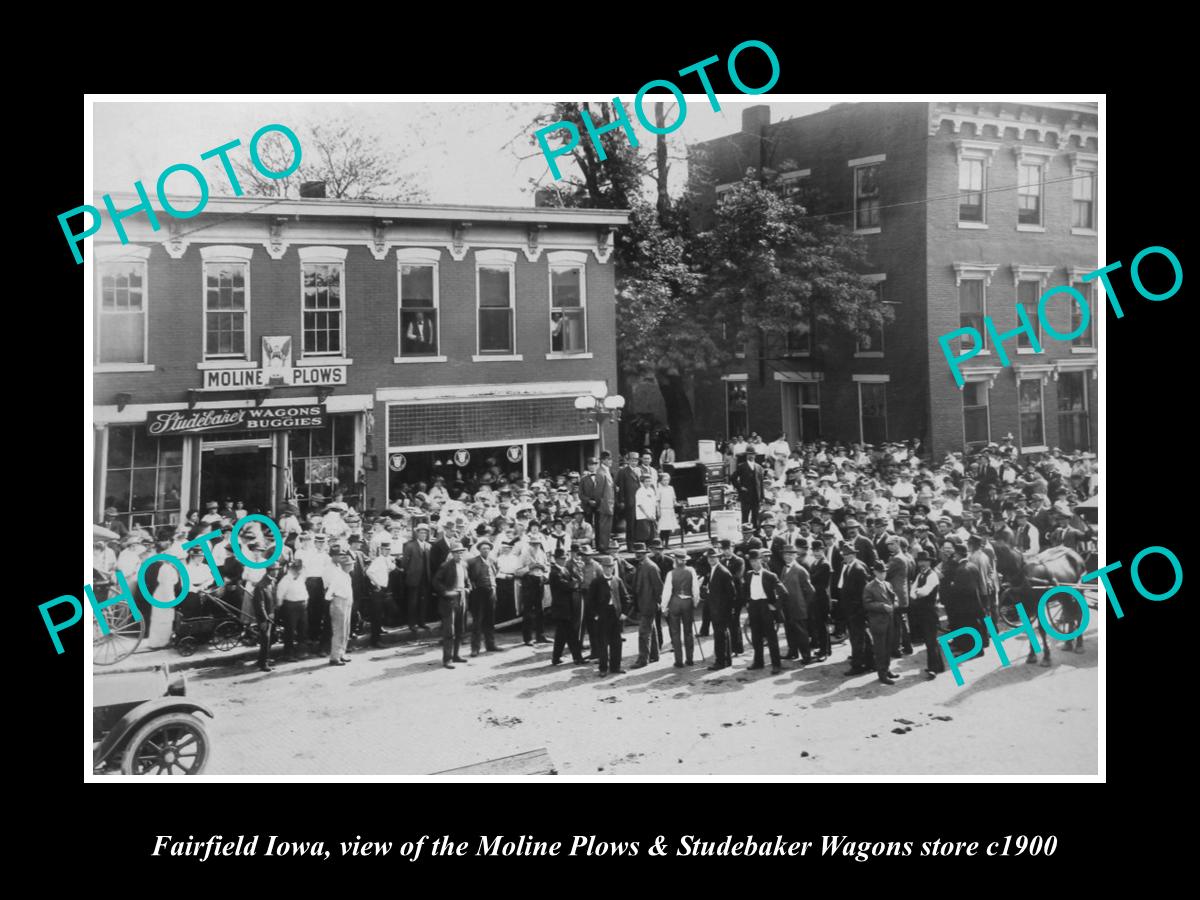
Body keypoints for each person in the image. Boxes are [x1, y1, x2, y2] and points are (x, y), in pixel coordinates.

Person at [940, 539, 986, 658]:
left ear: (958, 554)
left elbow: (962, 589)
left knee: (968, 627)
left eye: (955, 554)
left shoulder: (962, 569)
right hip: (974, 603)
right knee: (974, 626)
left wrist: (952, 586)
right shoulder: (971, 566)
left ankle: (972, 650)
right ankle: (977, 648)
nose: (953, 556)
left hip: (965, 605)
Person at [587, 555, 630, 675]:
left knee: (616, 642)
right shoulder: (596, 582)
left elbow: (626, 598)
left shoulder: (618, 581)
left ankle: (615, 667)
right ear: (602, 568)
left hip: (615, 615)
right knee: (603, 643)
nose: (608, 569)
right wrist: (595, 615)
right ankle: (603, 668)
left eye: (610, 567)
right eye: (606, 567)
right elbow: (590, 601)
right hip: (602, 615)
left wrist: (624, 613)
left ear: (613, 568)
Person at [742, 549, 783, 673]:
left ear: (761, 560)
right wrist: (747, 603)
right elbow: (745, 590)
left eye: (756, 560)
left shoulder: (770, 575)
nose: (754, 563)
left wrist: (775, 606)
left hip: (766, 607)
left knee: (771, 637)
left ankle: (776, 664)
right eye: (751, 561)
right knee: (756, 636)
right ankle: (758, 662)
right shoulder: (748, 574)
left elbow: (784, 593)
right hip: (754, 607)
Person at [431, 542, 471, 669]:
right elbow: (436, 582)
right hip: (449, 601)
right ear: (452, 554)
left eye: (461, 552)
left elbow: (467, 581)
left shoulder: (464, 565)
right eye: (456, 552)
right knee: (450, 631)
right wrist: (446, 592)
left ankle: (456, 655)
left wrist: (468, 588)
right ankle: (447, 659)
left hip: (461, 599)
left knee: (460, 629)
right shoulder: (446, 566)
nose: (459, 555)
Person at [837, 543, 874, 675]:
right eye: (844, 555)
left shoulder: (858, 568)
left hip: (857, 609)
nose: (845, 557)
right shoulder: (849, 566)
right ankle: (870, 661)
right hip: (851, 608)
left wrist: (860, 610)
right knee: (860, 636)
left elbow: (865, 591)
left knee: (858, 637)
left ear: (853, 554)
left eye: (848, 555)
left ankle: (858, 665)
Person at [908, 550, 944, 679]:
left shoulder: (932, 575)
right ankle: (938, 665)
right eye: (920, 561)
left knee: (931, 640)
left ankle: (933, 669)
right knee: (929, 640)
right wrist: (916, 592)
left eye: (924, 561)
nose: (922, 563)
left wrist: (916, 592)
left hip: (930, 612)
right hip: (922, 611)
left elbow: (925, 592)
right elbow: (912, 591)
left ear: (929, 562)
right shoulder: (920, 575)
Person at [661, 550, 699, 668]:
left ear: (676, 560)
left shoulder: (671, 573)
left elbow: (666, 592)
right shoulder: (691, 571)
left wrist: (664, 607)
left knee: (675, 632)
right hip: (687, 602)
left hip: (675, 602)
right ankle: (690, 659)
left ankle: (678, 661)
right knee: (688, 631)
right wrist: (695, 602)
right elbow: (695, 589)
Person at [548, 548, 585, 665]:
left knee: (562, 635)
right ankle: (577, 658)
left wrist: (573, 583)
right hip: (561, 608)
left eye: (564, 558)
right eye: (561, 558)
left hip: (566, 607)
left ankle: (556, 658)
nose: (563, 560)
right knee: (571, 634)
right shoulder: (554, 573)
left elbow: (573, 581)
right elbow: (568, 585)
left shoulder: (563, 570)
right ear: (556, 559)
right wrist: (574, 584)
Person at [863, 560, 898, 684]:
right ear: (875, 572)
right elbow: (867, 604)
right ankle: (882, 674)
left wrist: (895, 602)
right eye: (880, 572)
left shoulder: (887, 584)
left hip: (889, 620)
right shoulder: (869, 587)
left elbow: (893, 596)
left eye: (884, 572)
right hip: (877, 622)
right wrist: (882, 606)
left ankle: (887, 669)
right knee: (880, 649)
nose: (883, 575)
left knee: (889, 647)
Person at [778, 546, 814, 663]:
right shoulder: (784, 568)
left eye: (790, 554)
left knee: (801, 633)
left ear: (795, 555)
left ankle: (806, 656)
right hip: (787, 607)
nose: (787, 556)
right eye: (785, 554)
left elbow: (810, 591)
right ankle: (792, 652)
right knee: (789, 631)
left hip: (798, 607)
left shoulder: (800, 570)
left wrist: (804, 605)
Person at [703, 547, 736, 670]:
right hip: (716, 609)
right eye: (709, 557)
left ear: (718, 558)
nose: (711, 559)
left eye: (713, 557)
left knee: (720, 636)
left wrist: (727, 611)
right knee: (722, 635)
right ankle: (725, 660)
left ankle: (721, 661)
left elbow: (732, 594)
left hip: (721, 610)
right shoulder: (713, 570)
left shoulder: (723, 572)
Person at [630, 542, 663, 668]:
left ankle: (643, 659)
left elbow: (658, 587)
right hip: (644, 603)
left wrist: (658, 603)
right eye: (636, 553)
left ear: (645, 553)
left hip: (648, 604)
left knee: (643, 632)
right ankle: (654, 654)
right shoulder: (642, 565)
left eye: (640, 553)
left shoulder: (651, 567)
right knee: (651, 629)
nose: (637, 555)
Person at [467, 539, 500, 656]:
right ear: (479, 550)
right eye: (483, 549)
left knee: (490, 620)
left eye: (487, 548)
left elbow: (496, 573)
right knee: (477, 621)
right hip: (478, 593)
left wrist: (493, 587)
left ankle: (490, 645)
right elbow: (468, 576)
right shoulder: (472, 562)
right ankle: (475, 648)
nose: (485, 550)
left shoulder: (492, 560)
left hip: (491, 592)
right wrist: (472, 585)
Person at [400, 524, 433, 633]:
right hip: (414, 578)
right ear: (417, 533)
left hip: (425, 578)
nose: (423, 535)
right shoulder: (410, 546)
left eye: (425, 533)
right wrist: (409, 573)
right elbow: (404, 563)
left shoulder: (428, 546)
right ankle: (412, 624)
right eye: (421, 533)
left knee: (423, 601)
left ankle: (422, 622)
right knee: (412, 602)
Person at [579, 456, 615, 552]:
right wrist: (588, 500)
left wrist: (599, 501)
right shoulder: (583, 479)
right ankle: (588, 546)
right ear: (587, 466)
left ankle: (601, 546)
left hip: (599, 505)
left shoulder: (602, 476)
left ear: (597, 465)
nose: (592, 467)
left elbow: (605, 491)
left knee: (600, 526)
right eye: (590, 465)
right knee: (588, 525)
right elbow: (581, 494)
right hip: (588, 506)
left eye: (594, 464)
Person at [276, 557, 309, 661]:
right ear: (294, 569)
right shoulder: (285, 580)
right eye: (298, 569)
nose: (300, 571)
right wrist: (280, 609)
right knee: (290, 631)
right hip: (290, 607)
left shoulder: (301, 578)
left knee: (302, 630)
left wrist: (305, 602)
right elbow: (279, 597)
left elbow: (304, 592)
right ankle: (288, 654)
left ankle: (301, 652)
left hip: (302, 606)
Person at [326, 552, 356, 666]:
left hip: (347, 602)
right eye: (350, 564)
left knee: (345, 630)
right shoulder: (338, 576)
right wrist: (336, 601)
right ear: (345, 566)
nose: (352, 566)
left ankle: (341, 653)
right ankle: (334, 657)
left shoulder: (347, 575)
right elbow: (328, 594)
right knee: (339, 631)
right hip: (339, 603)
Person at [253, 558, 281, 672]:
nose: (277, 572)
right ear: (270, 571)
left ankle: (263, 660)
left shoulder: (272, 581)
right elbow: (260, 605)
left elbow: (272, 600)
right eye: (275, 570)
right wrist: (264, 620)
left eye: (277, 570)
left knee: (269, 640)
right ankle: (263, 663)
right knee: (265, 639)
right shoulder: (261, 585)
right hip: (264, 617)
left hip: (271, 615)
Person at [365, 540, 394, 648]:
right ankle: (375, 641)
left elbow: (392, 568)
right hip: (377, 589)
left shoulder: (387, 560)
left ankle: (378, 636)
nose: (387, 551)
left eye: (388, 549)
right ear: (381, 550)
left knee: (380, 614)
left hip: (384, 589)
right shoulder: (378, 560)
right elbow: (368, 572)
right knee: (376, 615)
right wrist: (376, 584)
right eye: (385, 549)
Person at [732, 449, 767, 530]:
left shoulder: (759, 467)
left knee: (755, 516)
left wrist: (762, 497)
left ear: (755, 455)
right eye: (749, 454)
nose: (751, 456)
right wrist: (740, 487)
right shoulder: (741, 466)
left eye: (752, 454)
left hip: (756, 497)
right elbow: (733, 478)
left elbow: (761, 483)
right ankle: (745, 533)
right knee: (745, 516)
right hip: (746, 496)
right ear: (746, 455)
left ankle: (756, 533)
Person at [656, 472, 679, 547]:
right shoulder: (659, 489)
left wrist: (675, 503)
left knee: (669, 527)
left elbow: (674, 499)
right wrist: (658, 511)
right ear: (660, 481)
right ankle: (661, 544)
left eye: (667, 480)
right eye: (664, 480)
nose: (666, 482)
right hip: (663, 510)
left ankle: (667, 544)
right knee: (663, 528)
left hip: (670, 510)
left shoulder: (671, 488)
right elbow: (658, 501)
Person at [634, 473, 659, 544]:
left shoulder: (651, 490)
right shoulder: (640, 491)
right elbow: (639, 505)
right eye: (646, 481)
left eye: (649, 481)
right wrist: (647, 515)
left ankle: (650, 548)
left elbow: (653, 503)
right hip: (643, 516)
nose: (648, 483)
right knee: (644, 534)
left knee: (652, 534)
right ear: (642, 482)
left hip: (651, 516)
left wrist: (653, 515)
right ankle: (643, 548)